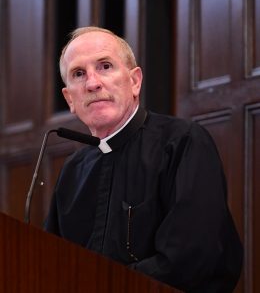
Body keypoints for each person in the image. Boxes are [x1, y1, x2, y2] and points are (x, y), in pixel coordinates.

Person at [44, 26, 243, 292]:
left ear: (135, 81)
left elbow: (190, 259)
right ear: (70, 98)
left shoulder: (183, 142)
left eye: (105, 66)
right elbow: (51, 264)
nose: (92, 83)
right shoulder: (72, 171)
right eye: (78, 74)